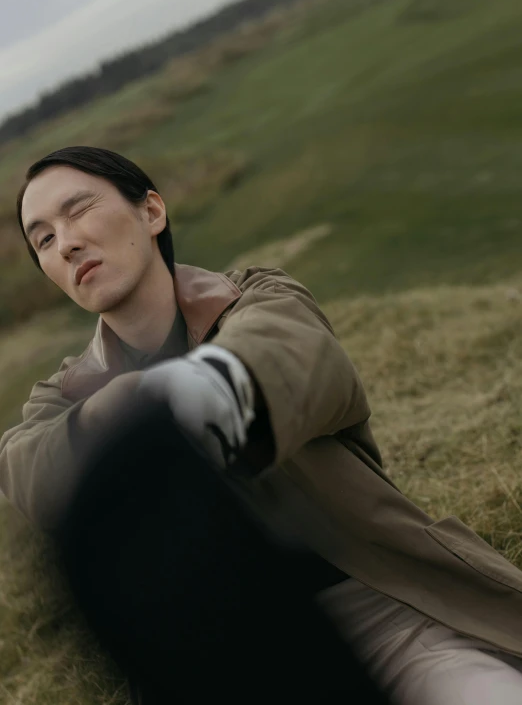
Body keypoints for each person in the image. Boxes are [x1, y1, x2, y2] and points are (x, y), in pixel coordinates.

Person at [2, 145, 522, 704]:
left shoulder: (259, 297)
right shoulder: (64, 394)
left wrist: (172, 407)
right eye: (45, 240)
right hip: (228, 668)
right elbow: (28, 471)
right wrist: (125, 405)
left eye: (78, 210)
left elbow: (292, 359)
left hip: (381, 617)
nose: (68, 241)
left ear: (152, 212)